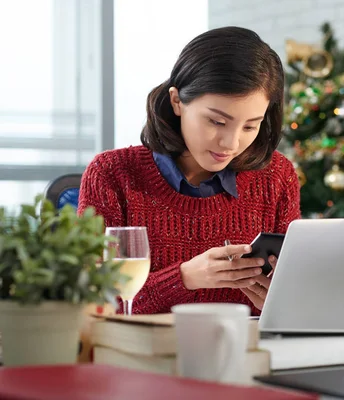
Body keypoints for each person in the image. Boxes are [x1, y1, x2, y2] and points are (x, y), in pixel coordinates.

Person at [78, 26, 301, 316]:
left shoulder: (276, 177)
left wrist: (279, 303)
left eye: (250, 126)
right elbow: (88, 301)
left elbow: (295, 298)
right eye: (217, 122)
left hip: (244, 351)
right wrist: (185, 278)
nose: (231, 143)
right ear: (177, 101)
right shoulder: (111, 174)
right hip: (141, 355)